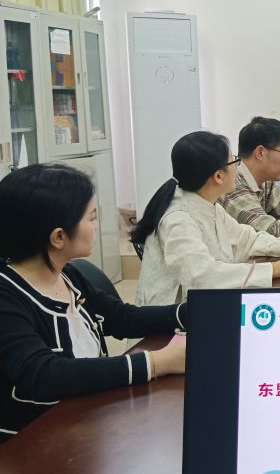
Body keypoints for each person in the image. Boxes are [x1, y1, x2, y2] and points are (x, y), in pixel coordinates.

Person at [0, 164, 187, 441]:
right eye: (91, 218)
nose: (97, 225)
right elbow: (43, 375)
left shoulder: (68, 276)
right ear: (59, 237)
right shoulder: (8, 296)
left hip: (87, 422)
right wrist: (156, 362)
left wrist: (193, 312)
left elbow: (122, 318)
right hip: (33, 443)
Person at [133, 131, 280, 307]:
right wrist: (275, 269)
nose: (238, 168)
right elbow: (202, 277)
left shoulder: (208, 205)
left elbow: (247, 238)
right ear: (219, 176)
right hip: (171, 320)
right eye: (235, 162)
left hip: (204, 307)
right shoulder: (179, 219)